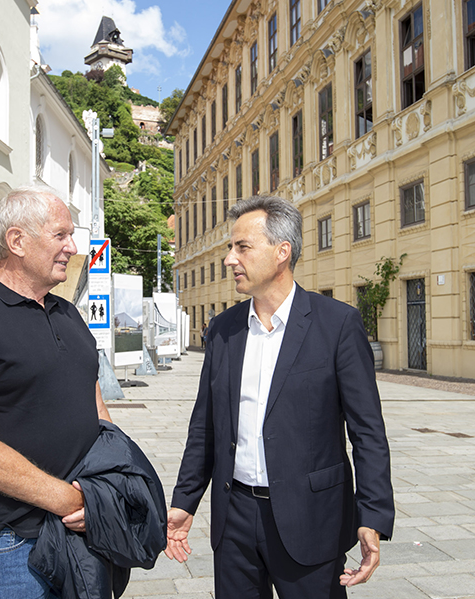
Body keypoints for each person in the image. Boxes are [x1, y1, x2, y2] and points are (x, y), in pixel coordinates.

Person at [164, 196, 394, 599]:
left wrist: (371, 516)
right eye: (229, 248)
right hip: (233, 521)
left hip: (311, 520)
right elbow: (205, 426)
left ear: (281, 252)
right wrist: (185, 501)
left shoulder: (337, 325)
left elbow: (368, 432)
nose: (229, 259)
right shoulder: (223, 330)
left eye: (242, 247)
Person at [0, 186, 113, 598]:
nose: (73, 246)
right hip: (8, 545)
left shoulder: (68, 312)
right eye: (61, 235)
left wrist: (104, 490)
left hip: (81, 536)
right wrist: (68, 501)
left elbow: (97, 407)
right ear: (17, 241)